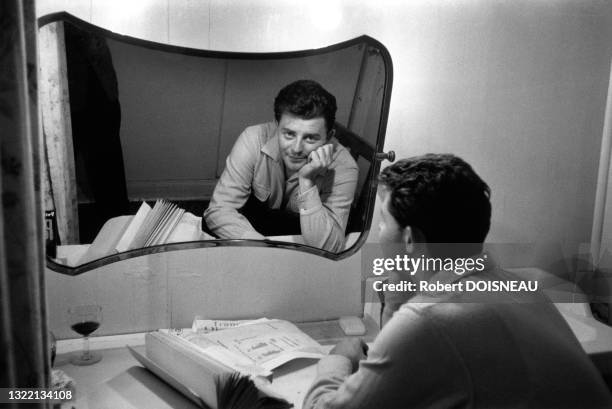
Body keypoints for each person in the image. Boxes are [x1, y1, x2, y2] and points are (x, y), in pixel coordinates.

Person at [303, 154, 612, 409]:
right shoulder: (517, 288)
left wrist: (339, 358)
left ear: (409, 239)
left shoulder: (429, 320)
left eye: (383, 222)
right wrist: (399, 295)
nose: (379, 233)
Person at [203, 80, 358, 252]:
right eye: (289, 134)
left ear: (329, 137)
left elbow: (330, 247)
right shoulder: (253, 138)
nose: (297, 148)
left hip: (304, 232)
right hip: (258, 225)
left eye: (310, 138)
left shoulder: (345, 166)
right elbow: (218, 210)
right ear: (277, 126)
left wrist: (307, 182)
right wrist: (262, 247)